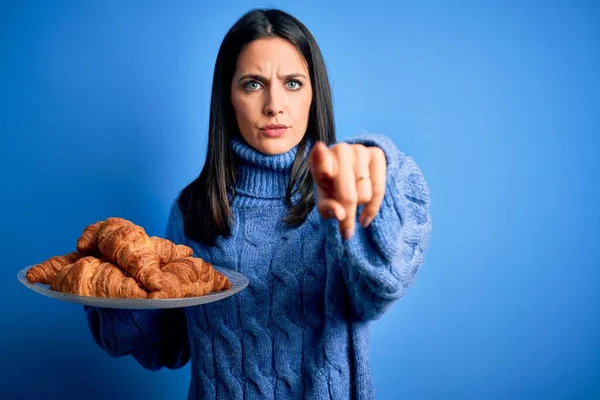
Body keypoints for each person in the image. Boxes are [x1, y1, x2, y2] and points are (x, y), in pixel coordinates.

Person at [84, 7, 431, 400]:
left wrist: (382, 177)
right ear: (228, 97)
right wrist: (114, 298)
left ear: (314, 93)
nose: (274, 105)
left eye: (293, 83)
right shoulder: (193, 210)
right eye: (252, 84)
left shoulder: (342, 195)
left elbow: (380, 289)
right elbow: (169, 345)